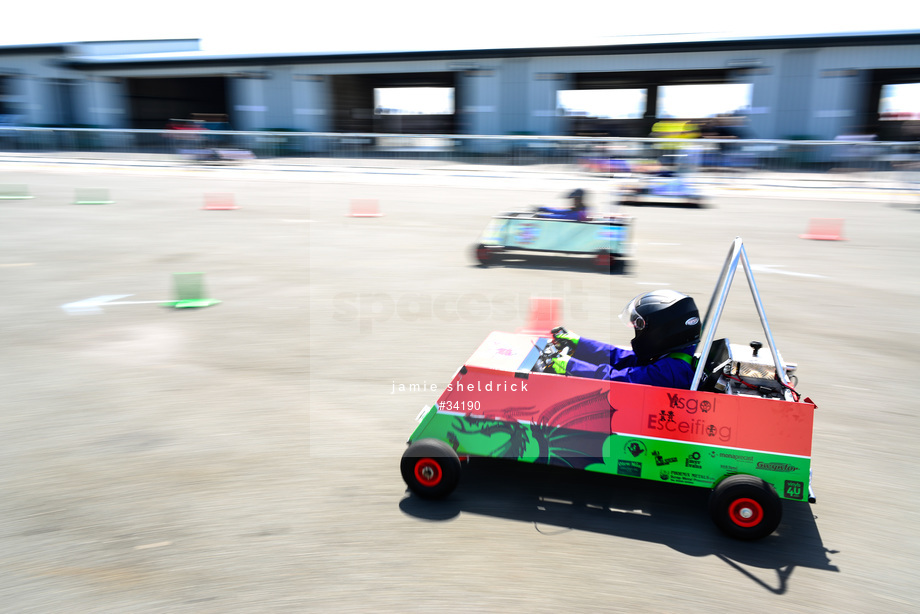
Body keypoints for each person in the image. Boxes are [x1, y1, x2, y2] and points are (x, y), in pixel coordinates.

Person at [548, 290, 701, 388]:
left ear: (662, 332)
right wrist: (580, 344)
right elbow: (623, 358)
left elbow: (620, 380)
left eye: (640, 327)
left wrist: (569, 365)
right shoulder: (674, 357)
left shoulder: (670, 373)